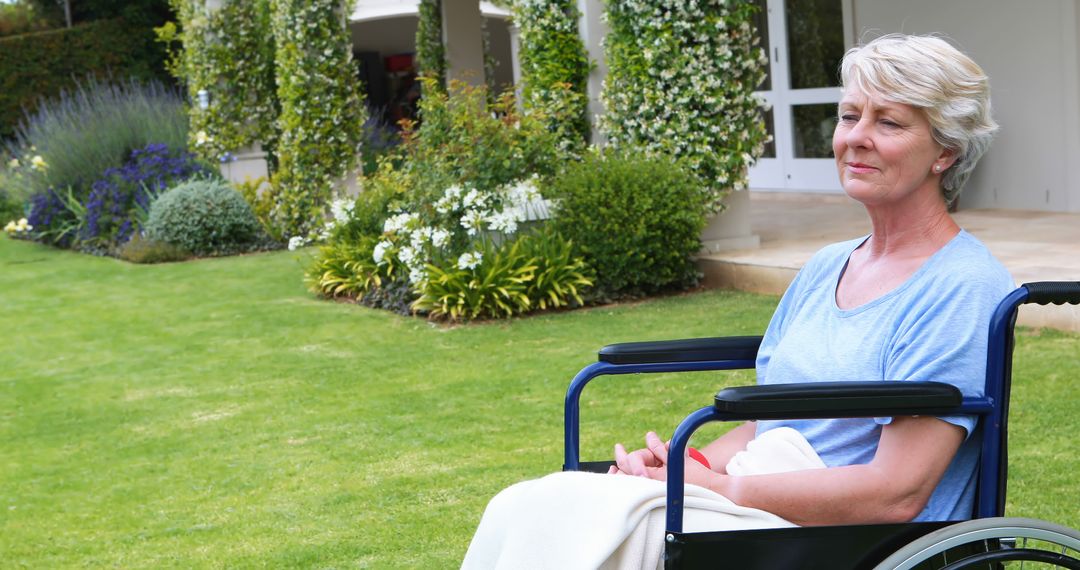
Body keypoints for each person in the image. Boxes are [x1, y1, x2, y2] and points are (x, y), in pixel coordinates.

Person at [463, 33, 1013, 568]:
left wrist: (722, 486)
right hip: (764, 496)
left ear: (946, 151)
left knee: (583, 521)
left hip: (843, 537)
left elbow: (895, 494)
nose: (856, 137)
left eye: (888, 122)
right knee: (531, 503)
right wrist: (684, 464)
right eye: (850, 116)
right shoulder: (829, 266)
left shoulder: (960, 287)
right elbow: (762, 425)